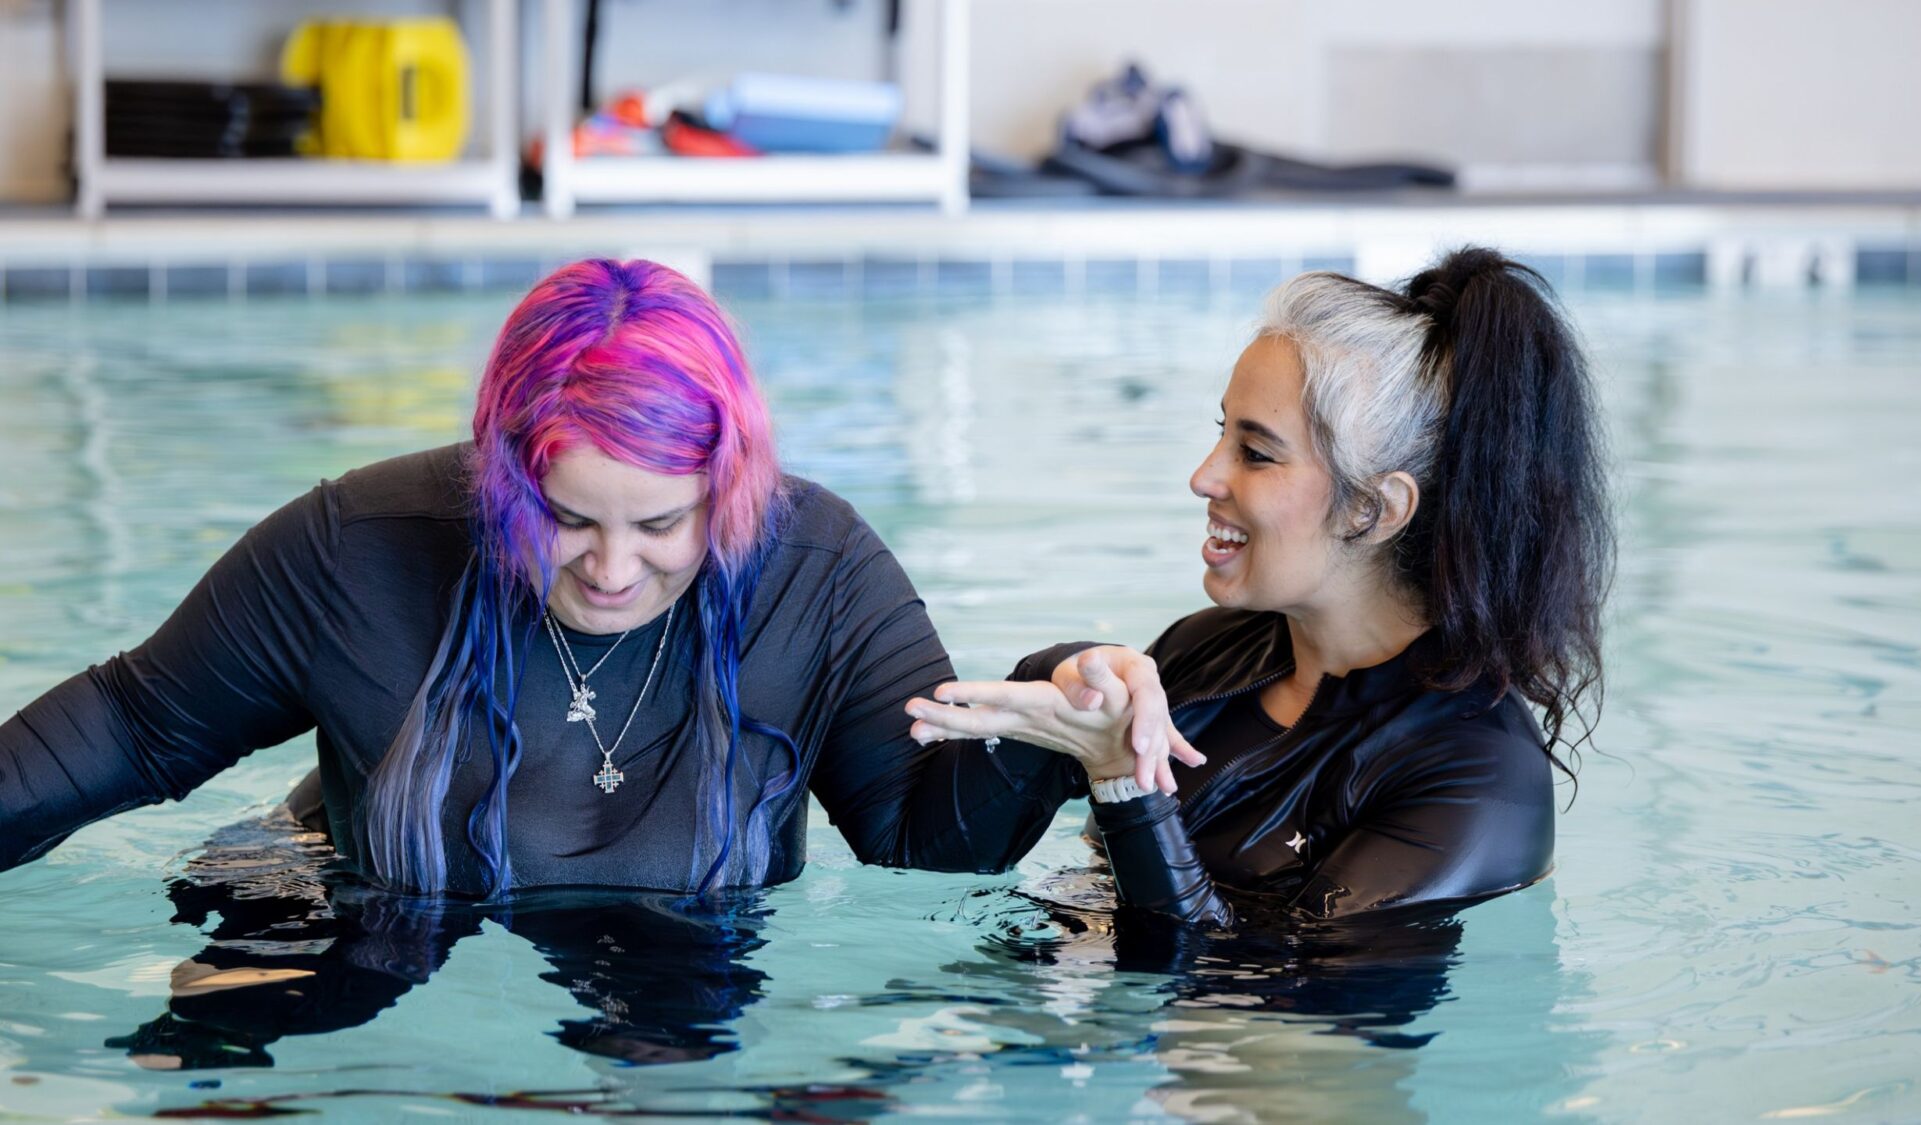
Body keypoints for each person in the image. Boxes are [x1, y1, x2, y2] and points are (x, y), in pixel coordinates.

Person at [0, 258, 1187, 897]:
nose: (612, 571)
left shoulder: (816, 569)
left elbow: (918, 845)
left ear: (726, 488)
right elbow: (135, 726)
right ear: (498, 478)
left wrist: (1054, 731)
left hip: (677, 960)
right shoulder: (355, 546)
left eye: (662, 523)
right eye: (564, 521)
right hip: (349, 904)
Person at [905, 247, 1612, 926]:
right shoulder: (1200, 654)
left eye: (1255, 453)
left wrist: (1123, 781)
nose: (1205, 477)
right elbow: (929, 854)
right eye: (1221, 434)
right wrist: (1066, 684)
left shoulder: (1476, 777)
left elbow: (1256, 1021)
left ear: (1375, 509)